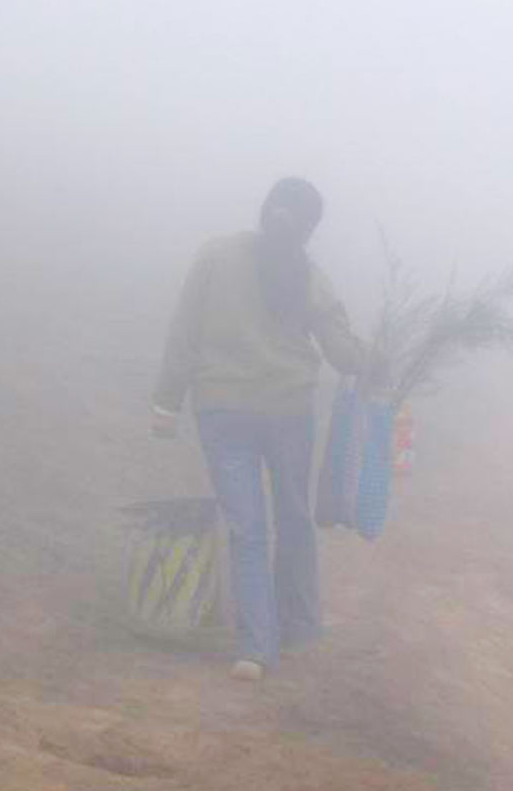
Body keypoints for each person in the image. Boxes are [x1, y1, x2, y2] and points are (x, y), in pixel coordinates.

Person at [151, 178, 366, 681]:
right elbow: (342, 352)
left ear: (265, 208)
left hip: (221, 411)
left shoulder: (215, 256)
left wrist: (166, 402)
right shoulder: (309, 275)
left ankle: (255, 649)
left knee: (248, 528)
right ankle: (301, 628)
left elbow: (183, 331)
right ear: (310, 229)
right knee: (293, 518)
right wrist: (379, 361)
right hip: (289, 412)